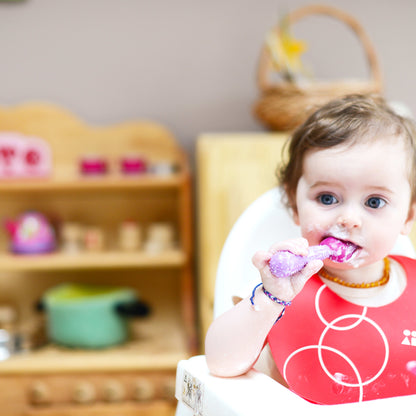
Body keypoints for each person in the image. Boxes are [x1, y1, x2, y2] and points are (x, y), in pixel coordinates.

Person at [205, 94, 416, 404]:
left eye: (374, 202)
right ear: (294, 204)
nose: (348, 219)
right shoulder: (280, 292)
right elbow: (219, 363)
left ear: (407, 216)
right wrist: (270, 300)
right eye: (327, 198)